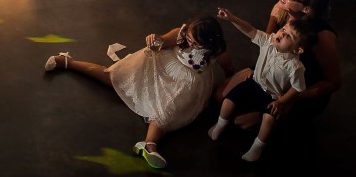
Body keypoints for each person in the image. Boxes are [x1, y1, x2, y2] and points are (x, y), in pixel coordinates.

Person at [43, 16, 232, 170]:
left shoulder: (217, 51)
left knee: (165, 112)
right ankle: (67, 62)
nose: (190, 41)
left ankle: (149, 144)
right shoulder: (182, 33)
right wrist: (154, 39)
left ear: (209, 42)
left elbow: (228, 68)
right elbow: (162, 41)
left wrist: (234, 84)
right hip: (163, 67)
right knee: (114, 77)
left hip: (186, 85)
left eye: (195, 41)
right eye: (189, 37)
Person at [215, 0, 342, 121]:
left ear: (306, 9)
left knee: (241, 121)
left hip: (299, 88)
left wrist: (288, 99)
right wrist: (257, 72)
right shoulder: (282, 8)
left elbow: (333, 82)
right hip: (274, 71)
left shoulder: (322, 37)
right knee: (221, 97)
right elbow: (268, 42)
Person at [209, 8, 316, 162]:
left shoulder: (295, 67)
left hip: (272, 95)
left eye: (289, 36)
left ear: (298, 49)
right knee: (228, 99)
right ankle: (220, 125)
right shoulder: (268, 41)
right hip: (254, 83)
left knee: (269, 120)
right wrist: (232, 18)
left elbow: (298, 88)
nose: (281, 34)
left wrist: (281, 101)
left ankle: (257, 146)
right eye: (283, 29)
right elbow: (250, 30)